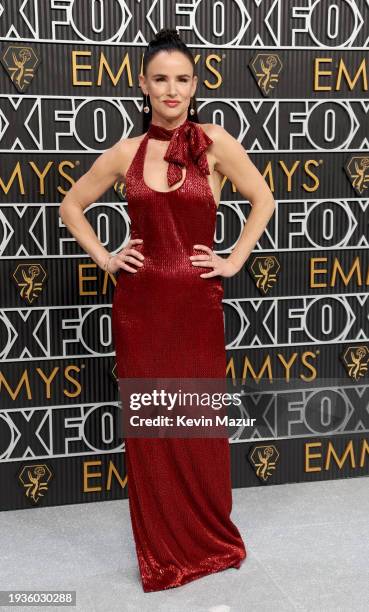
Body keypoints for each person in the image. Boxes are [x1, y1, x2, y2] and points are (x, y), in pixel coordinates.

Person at [59, 28, 275, 592]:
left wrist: (233, 259)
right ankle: (162, 552)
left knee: (197, 425)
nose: (171, 89)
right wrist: (107, 256)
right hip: (141, 308)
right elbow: (71, 205)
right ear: (144, 85)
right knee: (153, 428)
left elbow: (263, 199)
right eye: (161, 79)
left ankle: (209, 541)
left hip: (197, 307)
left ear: (195, 85)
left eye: (182, 78)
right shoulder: (127, 152)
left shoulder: (215, 141)